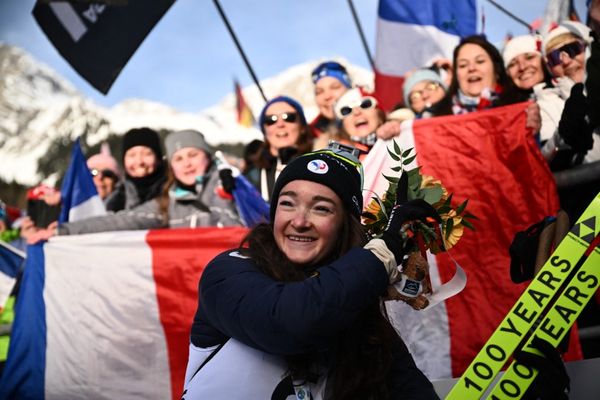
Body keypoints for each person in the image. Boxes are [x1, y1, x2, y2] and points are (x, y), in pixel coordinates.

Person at [183, 146, 440, 399]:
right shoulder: (230, 270)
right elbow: (290, 322)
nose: (300, 221)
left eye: (321, 208)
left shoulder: (355, 308)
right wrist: (381, 255)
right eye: (287, 204)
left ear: (344, 226)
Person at [29, 130, 241, 239]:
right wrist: (63, 230)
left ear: (208, 157)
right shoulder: (168, 202)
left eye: (193, 155)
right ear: (172, 166)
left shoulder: (232, 186)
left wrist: (227, 189)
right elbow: (120, 221)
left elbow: (243, 227)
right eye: (178, 158)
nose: (186, 163)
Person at [503, 34, 566, 162]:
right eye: (513, 64)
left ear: (543, 60)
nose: (522, 67)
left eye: (530, 57)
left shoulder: (568, 88)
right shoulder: (505, 113)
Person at [431, 35, 524, 116]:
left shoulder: (522, 108)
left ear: (496, 69)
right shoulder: (437, 117)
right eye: (463, 65)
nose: (471, 68)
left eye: (480, 61)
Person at [244, 96, 313, 202]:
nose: (280, 124)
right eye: (271, 120)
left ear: (302, 127)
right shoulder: (251, 175)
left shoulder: (318, 165)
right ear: (264, 131)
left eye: (289, 117)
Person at [104, 127, 167, 212]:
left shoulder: (172, 191)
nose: (139, 162)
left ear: (158, 159)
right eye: (132, 155)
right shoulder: (114, 200)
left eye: (147, 154)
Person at [333, 87, 386, 156]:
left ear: (379, 114)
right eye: (347, 110)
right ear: (342, 126)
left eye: (365, 105)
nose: (357, 112)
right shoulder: (335, 157)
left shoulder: (400, 138)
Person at [309, 61, 352, 144]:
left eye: (334, 87)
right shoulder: (309, 138)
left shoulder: (373, 122)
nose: (327, 96)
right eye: (319, 92)